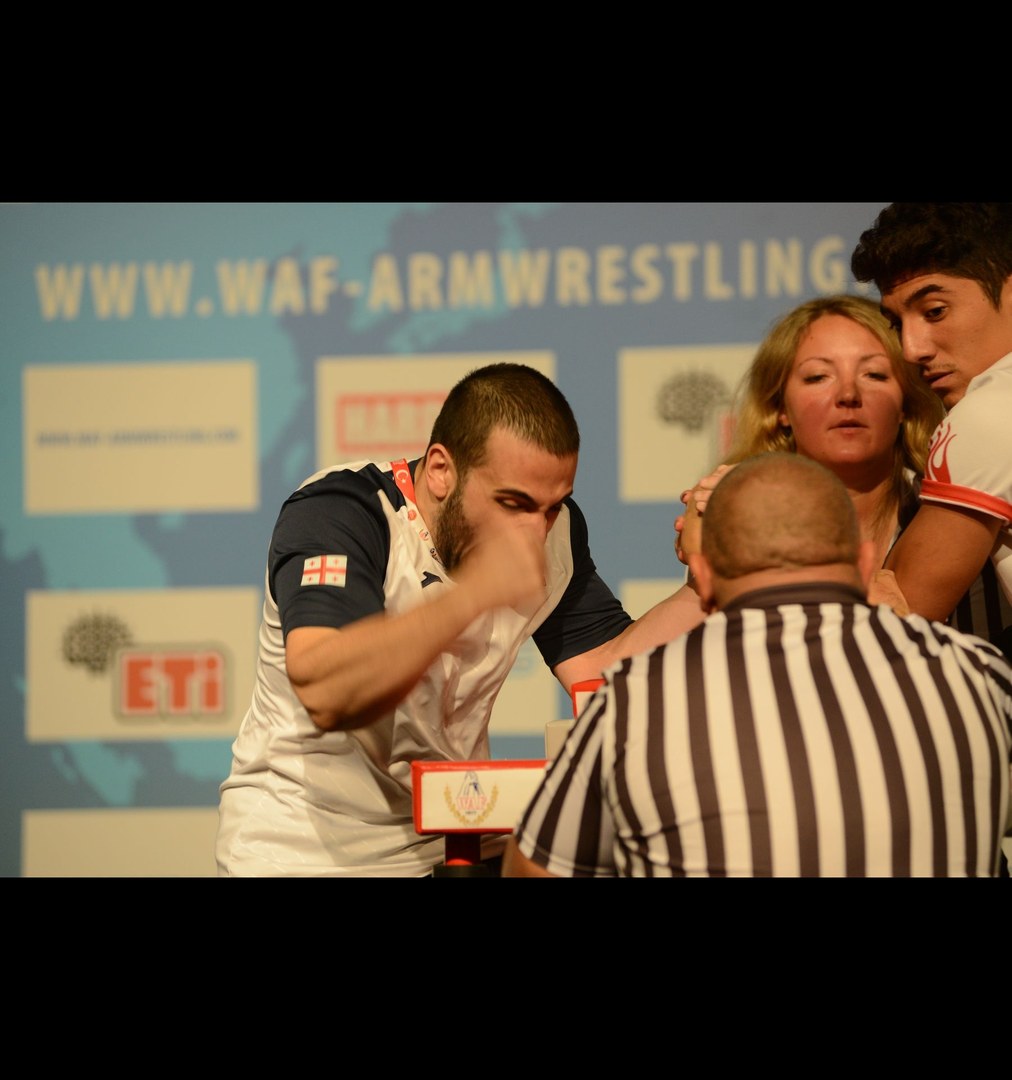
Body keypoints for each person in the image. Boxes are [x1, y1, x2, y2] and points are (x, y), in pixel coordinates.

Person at [216, 362, 699, 876]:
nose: (535, 532)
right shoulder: (344, 510)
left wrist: (708, 579)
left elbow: (603, 671)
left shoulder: (553, 530)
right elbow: (327, 690)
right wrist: (476, 592)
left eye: (554, 506)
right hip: (303, 846)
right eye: (513, 503)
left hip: (454, 834)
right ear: (442, 470)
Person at [502, 452, 1012, 877]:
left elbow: (537, 868)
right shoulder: (980, 676)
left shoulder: (641, 701)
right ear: (864, 562)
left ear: (704, 577)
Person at [664, 293, 946, 637]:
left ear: (906, 403)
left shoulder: (952, 506)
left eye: (874, 374)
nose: (848, 395)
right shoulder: (733, 515)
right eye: (817, 377)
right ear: (779, 408)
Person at [851, 203, 1012, 655]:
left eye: (935, 311)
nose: (911, 349)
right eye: (899, 323)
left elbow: (888, 625)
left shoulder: (991, 410)